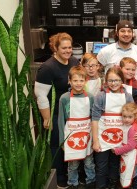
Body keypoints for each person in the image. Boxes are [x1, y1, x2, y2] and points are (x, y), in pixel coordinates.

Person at [34, 32, 79, 188]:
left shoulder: (73, 61)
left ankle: (70, 173)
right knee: (56, 145)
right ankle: (58, 177)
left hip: (70, 111)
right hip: (54, 113)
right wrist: (47, 118)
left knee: (70, 142)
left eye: (70, 47)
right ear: (55, 48)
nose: (68, 51)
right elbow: (40, 95)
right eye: (64, 48)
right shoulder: (47, 68)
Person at [91, 67, 135, 189]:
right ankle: (100, 186)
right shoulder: (101, 96)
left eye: (117, 80)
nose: (113, 83)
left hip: (119, 139)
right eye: (110, 80)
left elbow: (133, 116)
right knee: (101, 166)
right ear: (105, 81)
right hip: (102, 138)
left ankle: (112, 184)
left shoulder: (127, 96)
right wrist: (95, 141)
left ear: (122, 81)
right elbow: (94, 119)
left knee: (115, 164)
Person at [58, 66, 95, 188]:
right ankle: (72, 183)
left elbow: (94, 118)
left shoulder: (90, 97)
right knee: (73, 164)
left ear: (85, 81)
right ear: (69, 81)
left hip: (87, 135)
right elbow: (61, 120)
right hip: (71, 136)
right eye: (75, 80)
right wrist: (62, 141)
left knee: (89, 162)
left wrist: (94, 138)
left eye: (81, 80)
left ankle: (91, 181)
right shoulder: (64, 98)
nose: (78, 83)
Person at [112, 102, 137, 189]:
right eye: (124, 116)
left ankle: (136, 186)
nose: (126, 119)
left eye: (130, 117)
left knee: (133, 174)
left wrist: (117, 150)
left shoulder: (133, 128)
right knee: (127, 172)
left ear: (135, 117)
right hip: (125, 154)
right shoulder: (125, 125)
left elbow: (130, 146)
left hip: (133, 155)